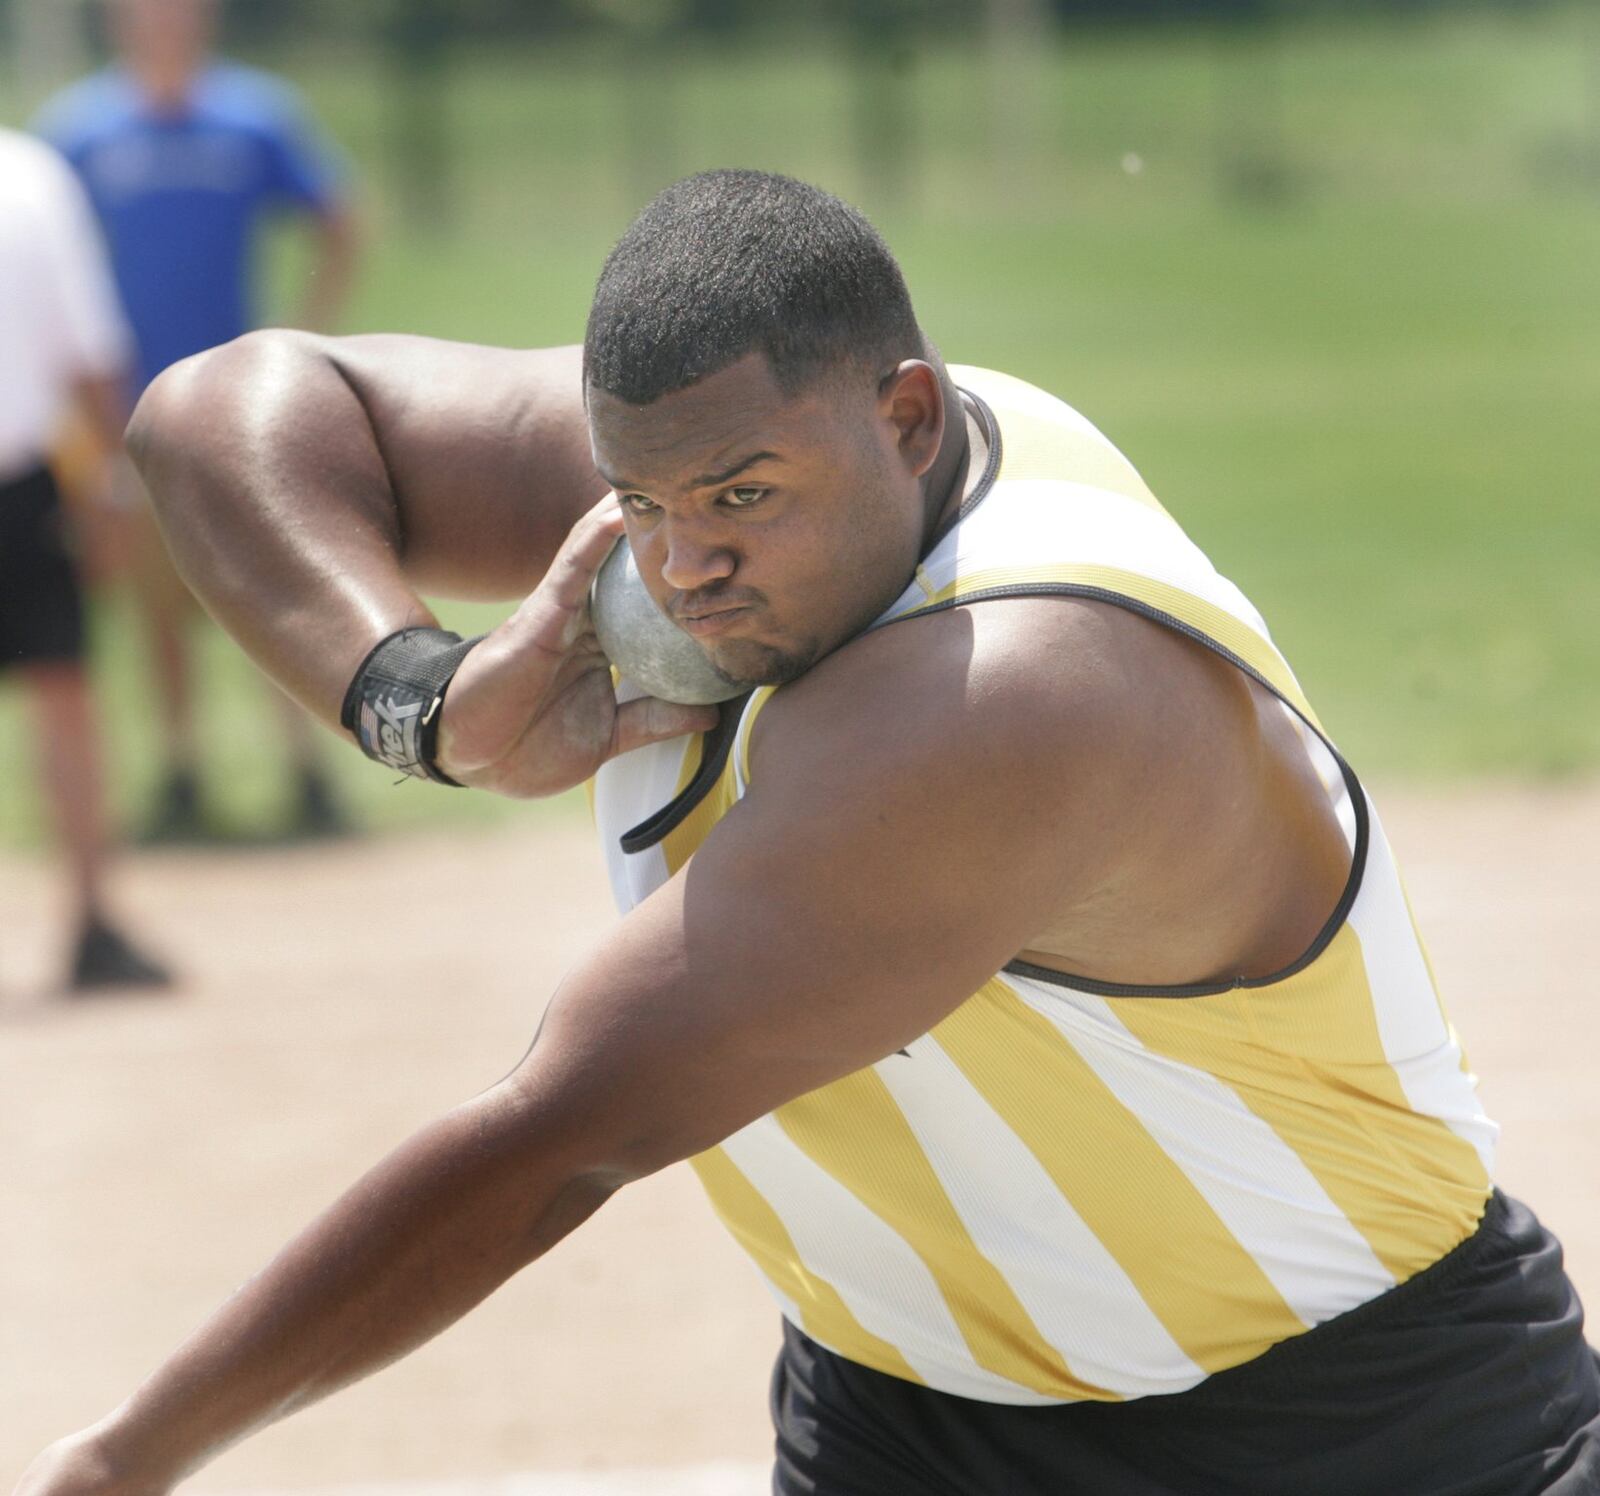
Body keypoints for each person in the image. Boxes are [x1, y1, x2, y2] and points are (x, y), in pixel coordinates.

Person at [13, 171, 1597, 1494]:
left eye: (738, 498)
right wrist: (426, 699)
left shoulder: (1020, 696)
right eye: (640, 504)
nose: (682, 564)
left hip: (1355, 1435)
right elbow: (218, 415)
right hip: (898, 1416)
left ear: (908, 416)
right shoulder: (735, 469)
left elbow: (567, 1134)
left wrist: (123, 1463)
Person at [32, 0, 362, 844]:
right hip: (132, 409)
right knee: (157, 596)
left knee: (271, 590)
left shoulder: (254, 117)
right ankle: (182, 773)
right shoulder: (80, 131)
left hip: (241, 405)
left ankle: (308, 773)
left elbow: (339, 218)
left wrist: (299, 332)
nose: (162, 20)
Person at [0, 127, 172, 995]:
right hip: (23, 486)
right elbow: (93, 348)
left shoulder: (30, 175)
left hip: (23, 480)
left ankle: (92, 919)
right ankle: (94, 919)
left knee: (66, 697)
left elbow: (89, 347)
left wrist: (107, 482)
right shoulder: (28, 173)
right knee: (65, 700)